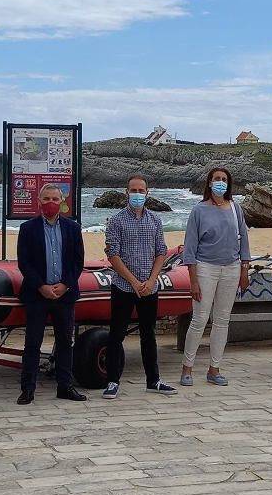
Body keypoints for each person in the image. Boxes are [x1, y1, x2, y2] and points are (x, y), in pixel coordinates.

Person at [102, 174, 176, 399]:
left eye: (140, 191)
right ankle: (113, 381)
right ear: (126, 193)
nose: (137, 195)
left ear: (147, 193)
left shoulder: (155, 220)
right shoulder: (116, 221)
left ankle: (153, 380)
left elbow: (161, 252)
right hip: (124, 287)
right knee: (117, 334)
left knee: (149, 335)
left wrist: (152, 281)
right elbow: (112, 254)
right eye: (133, 191)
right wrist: (134, 282)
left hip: (149, 287)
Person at [180, 167, 251, 386]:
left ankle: (214, 369)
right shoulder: (199, 210)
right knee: (199, 319)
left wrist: (244, 270)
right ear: (209, 183)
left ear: (228, 184)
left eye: (224, 179)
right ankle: (187, 368)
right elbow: (190, 248)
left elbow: (244, 240)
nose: (220, 182)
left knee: (222, 321)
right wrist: (193, 280)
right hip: (205, 268)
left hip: (231, 268)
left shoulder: (235, 208)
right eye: (216, 179)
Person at [15, 183, 86, 405]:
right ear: (39, 202)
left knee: (65, 341)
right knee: (32, 343)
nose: (51, 203)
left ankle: (65, 387)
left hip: (65, 295)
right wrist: (41, 286)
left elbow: (77, 261)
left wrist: (65, 284)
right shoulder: (27, 229)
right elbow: (24, 263)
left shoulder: (72, 228)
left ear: (62, 202)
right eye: (46, 199)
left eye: (55, 199)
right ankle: (28, 389)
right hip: (37, 294)